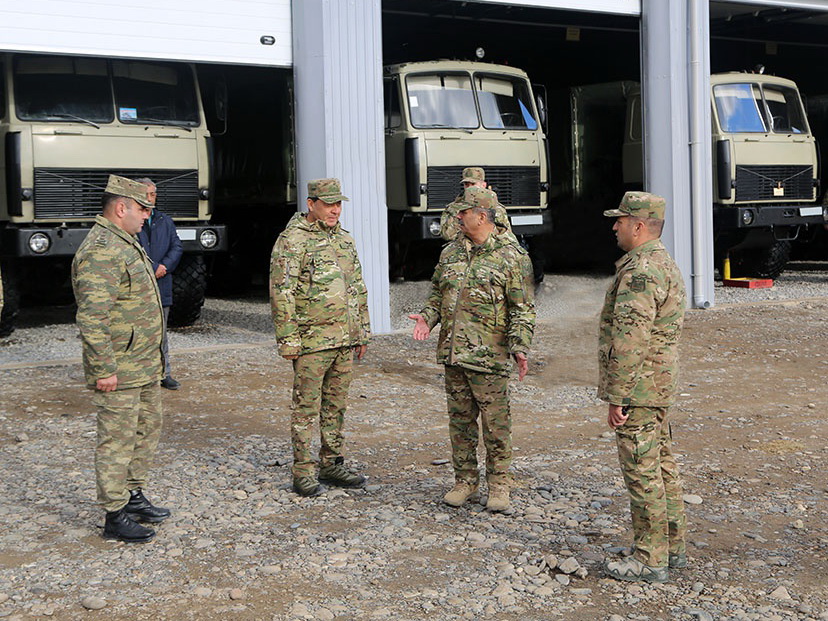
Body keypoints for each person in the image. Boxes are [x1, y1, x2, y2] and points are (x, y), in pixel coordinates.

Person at [410, 186, 535, 512]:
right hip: (454, 355)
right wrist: (426, 318)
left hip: (489, 357)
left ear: (482, 216)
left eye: (463, 213)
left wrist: (520, 347)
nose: (457, 217)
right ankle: (465, 481)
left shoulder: (512, 257)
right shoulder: (450, 253)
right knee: (461, 424)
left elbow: (523, 309)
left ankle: (499, 485)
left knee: (496, 427)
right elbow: (437, 296)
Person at [71, 174, 171, 544]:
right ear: (121, 207)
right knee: (116, 438)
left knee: (145, 431)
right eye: (142, 208)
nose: (147, 215)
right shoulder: (101, 250)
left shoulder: (125, 241)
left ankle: (132, 494)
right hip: (120, 369)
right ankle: (114, 514)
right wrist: (104, 369)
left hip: (143, 364)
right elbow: (93, 317)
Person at [599, 191, 688, 583]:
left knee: (643, 472)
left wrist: (618, 396)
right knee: (662, 467)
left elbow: (630, 338)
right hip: (657, 386)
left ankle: (650, 558)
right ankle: (672, 548)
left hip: (639, 390)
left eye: (620, 219)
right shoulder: (662, 262)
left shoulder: (641, 271)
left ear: (638, 225)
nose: (614, 225)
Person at [270, 178, 371, 497]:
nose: (335, 210)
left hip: (343, 339)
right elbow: (281, 292)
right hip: (312, 342)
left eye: (338, 204)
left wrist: (361, 331)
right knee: (305, 408)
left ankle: (330, 463)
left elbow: (356, 286)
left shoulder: (344, 240)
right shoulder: (293, 240)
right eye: (329, 204)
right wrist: (288, 340)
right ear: (311, 204)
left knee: (336, 406)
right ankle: (302, 470)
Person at [136, 178, 183, 390]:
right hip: (138, 289)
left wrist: (164, 266)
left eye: (153, 194)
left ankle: (165, 373)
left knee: (161, 335)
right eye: (146, 193)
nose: (150, 198)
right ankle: (139, 375)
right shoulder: (131, 222)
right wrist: (151, 268)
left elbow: (176, 247)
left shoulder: (165, 220)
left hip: (161, 287)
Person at [439, 167, 514, 241]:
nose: (469, 187)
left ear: (483, 185)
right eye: (466, 184)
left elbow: (506, 235)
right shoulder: (453, 208)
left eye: (473, 184)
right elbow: (447, 235)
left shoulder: (496, 208)